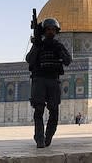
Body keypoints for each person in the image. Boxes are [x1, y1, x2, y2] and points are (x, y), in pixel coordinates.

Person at [26, 18, 72, 148]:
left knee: (54, 111)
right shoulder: (39, 45)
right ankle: (39, 138)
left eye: (53, 29)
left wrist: (59, 52)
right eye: (48, 29)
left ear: (56, 31)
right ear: (44, 31)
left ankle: (48, 136)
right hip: (39, 80)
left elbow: (68, 60)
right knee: (39, 111)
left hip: (53, 81)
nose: (51, 32)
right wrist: (36, 45)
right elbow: (29, 60)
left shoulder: (58, 46)